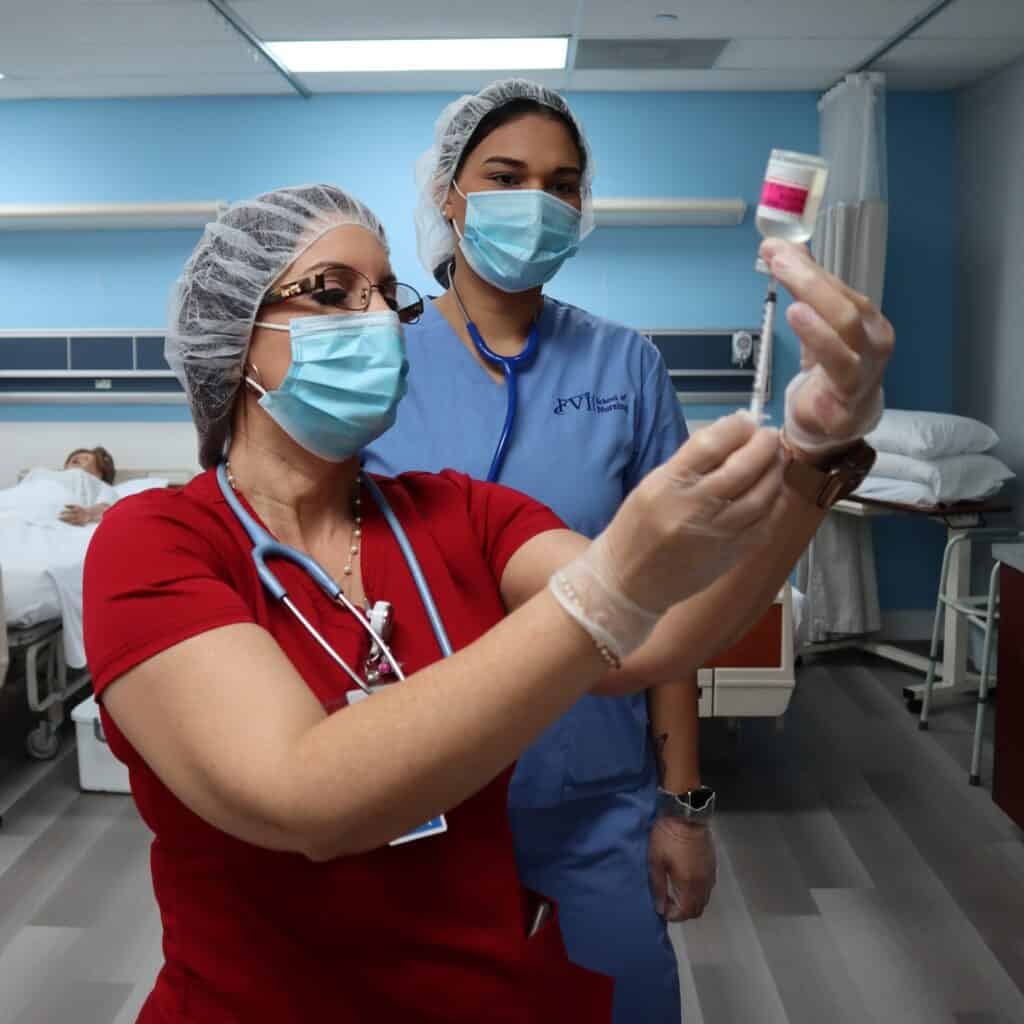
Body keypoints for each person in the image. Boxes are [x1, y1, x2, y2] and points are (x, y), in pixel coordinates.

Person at [82, 183, 890, 1023]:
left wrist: (810, 456)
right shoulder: (155, 543)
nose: (380, 319)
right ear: (231, 341)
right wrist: (610, 584)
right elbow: (304, 798)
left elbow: (664, 635)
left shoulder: (459, 512)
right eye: (332, 292)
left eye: (386, 294)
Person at [363, 78, 890, 1021]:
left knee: (621, 998)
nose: (537, 202)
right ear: (448, 194)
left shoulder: (626, 366)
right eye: (506, 177)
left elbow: (670, 603)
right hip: (418, 792)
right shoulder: (378, 364)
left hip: (592, 788)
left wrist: (682, 804)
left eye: (563, 184)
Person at [60, 446, 116, 525]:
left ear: (99, 474)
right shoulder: (50, 476)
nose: (77, 458)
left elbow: (107, 507)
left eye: (85, 459)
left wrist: (88, 513)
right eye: (74, 458)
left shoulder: (102, 486)